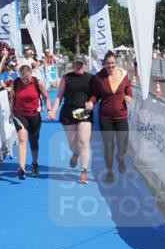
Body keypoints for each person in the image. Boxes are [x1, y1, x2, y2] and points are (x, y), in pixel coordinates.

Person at [88, 50, 134, 184]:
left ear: (116, 63)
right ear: (104, 64)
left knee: (123, 143)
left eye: (113, 63)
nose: (111, 66)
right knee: (108, 146)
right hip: (105, 116)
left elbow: (128, 89)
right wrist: (91, 102)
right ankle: (109, 171)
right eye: (108, 63)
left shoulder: (123, 75)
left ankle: (120, 157)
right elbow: (95, 95)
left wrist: (129, 96)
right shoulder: (98, 77)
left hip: (121, 114)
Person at [49, 54, 94, 184]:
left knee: (84, 142)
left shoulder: (90, 78)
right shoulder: (66, 78)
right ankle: (75, 153)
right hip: (69, 112)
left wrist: (91, 102)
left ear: (85, 64)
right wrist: (53, 110)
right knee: (74, 143)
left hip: (85, 113)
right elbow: (59, 96)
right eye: (76, 63)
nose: (79, 66)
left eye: (81, 63)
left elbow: (94, 96)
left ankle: (83, 172)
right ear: (73, 64)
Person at [8, 60, 50, 179]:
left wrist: (50, 110)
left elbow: (46, 97)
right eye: (22, 78)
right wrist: (11, 112)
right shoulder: (16, 83)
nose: (24, 80)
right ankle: (21, 168)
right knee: (22, 138)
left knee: (34, 141)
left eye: (26, 78)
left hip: (34, 115)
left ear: (31, 74)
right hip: (19, 114)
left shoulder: (38, 83)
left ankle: (34, 163)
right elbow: (12, 98)